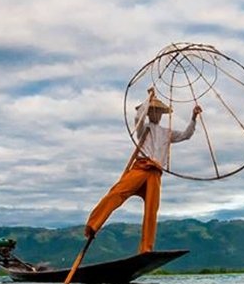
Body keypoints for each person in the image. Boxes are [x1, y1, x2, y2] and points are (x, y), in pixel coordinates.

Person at [84, 87, 202, 254]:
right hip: (140, 167)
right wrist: (149, 97)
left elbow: (186, 135)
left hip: (155, 173)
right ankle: (93, 225)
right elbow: (138, 116)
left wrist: (194, 117)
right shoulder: (144, 127)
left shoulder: (166, 132)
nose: (156, 115)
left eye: (159, 112)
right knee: (117, 193)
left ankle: (146, 249)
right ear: (149, 113)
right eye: (153, 111)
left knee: (151, 211)